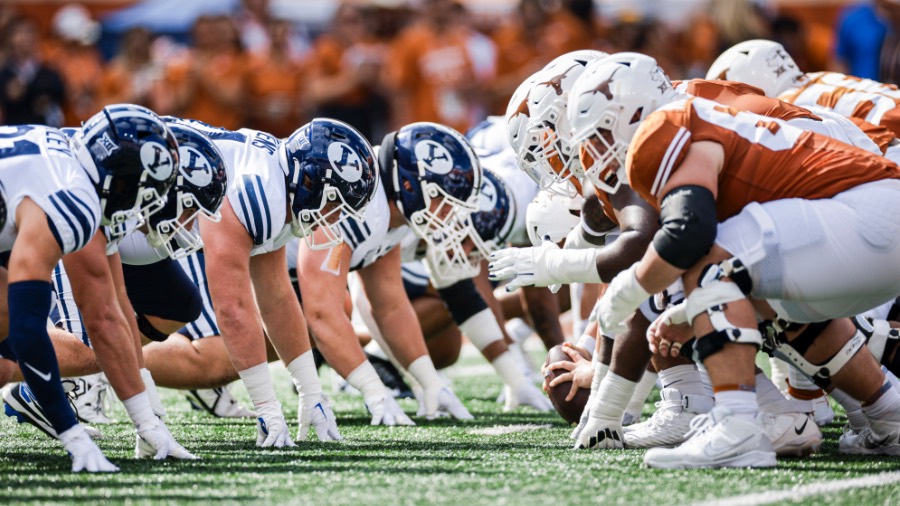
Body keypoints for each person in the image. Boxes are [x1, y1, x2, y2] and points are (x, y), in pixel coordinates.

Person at [141, 117, 377, 445]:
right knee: (200, 346)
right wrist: (267, 407)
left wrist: (312, 392)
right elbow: (233, 308)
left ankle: (110, 365)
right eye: (336, 202)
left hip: (162, 214)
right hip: (123, 204)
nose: (335, 218)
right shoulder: (257, 190)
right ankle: (95, 370)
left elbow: (276, 296)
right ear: (310, 182)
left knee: (172, 311)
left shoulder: (280, 186)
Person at [0, 104, 193, 472]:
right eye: (141, 190)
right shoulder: (73, 198)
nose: (142, 206)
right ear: (117, 180)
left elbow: (107, 314)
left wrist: (147, 422)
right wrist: (71, 433)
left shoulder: (67, 166)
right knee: (12, 314)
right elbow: (27, 329)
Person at [295, 122, 476, 423]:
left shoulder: (391, 210)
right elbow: (321, 312)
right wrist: (373, 388)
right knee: (213, 362)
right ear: (409, 184)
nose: (447, 213)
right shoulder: (359, 198)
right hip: (227, 265)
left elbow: (389, 303)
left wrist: (429, 381)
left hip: (276, 275)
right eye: (441, 198)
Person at [0, 16, 65, 126]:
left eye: (29, 32)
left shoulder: (49, 71)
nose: (25, 38)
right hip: (14, 132)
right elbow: (9, 95)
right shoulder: (5, 73)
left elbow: (58, 92)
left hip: (43, 131)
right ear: (11, 38)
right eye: (20, 33)